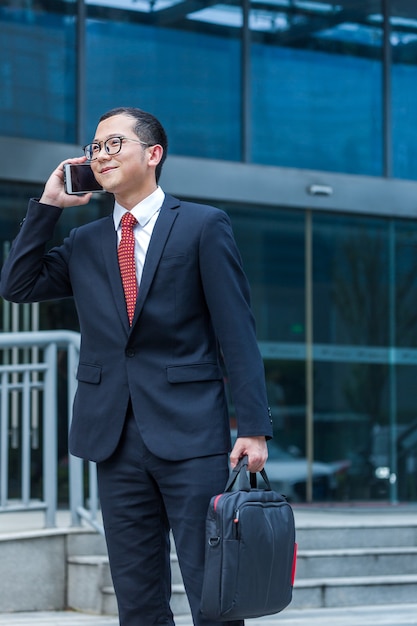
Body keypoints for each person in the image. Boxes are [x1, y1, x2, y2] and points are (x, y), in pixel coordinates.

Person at [0, 107, 273, 626]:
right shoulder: (85, 243)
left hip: (191, 435)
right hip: (114, 438)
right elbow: (16, 286)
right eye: (95, 147)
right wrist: (48, 206)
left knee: (211, 591)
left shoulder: (201, 226)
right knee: (137, 599)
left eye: (114, 144)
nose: (100, 155)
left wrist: (255, 429)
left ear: (153, 154)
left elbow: (237, 333)